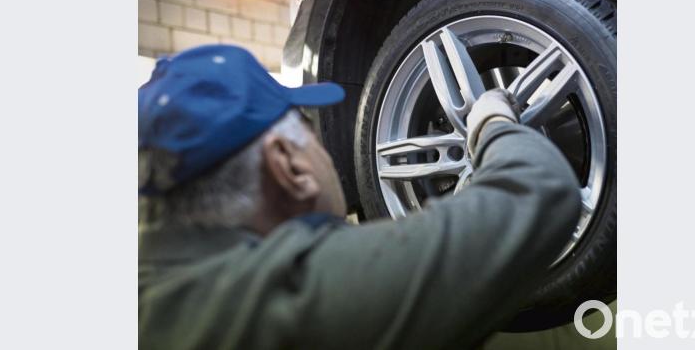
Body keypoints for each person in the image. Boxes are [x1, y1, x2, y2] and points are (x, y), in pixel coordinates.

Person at [138, 44, 581, 349]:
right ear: (288, 165)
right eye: (312, 135)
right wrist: (491, 122)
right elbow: (538, 190)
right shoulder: (288, 300)